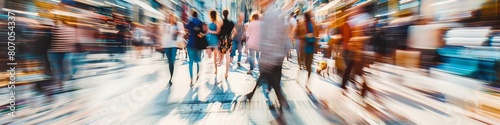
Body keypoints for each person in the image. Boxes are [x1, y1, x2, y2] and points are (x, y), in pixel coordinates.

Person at [245, 0, 295, 123]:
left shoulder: (271, 14)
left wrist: (266, 57)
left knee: (275, 83)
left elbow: (271, 37)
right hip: (277, 55)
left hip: (271, 56)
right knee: (275, 84)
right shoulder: (274, 12)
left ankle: (282, 111)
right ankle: (281, 108)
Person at [340, 3, 374, 98]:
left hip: (354, 50)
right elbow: (348, 39)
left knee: (355, 70)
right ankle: (361, 87)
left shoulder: (353, 24)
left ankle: (360, 87)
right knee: (352, 69)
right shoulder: (349, 25)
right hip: (351, 50)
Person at [48, 18, 77, 91]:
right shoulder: (71, 29)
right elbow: (73, 41)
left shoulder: (55, 28)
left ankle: (61, 83)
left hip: (55, 50)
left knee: (58, 67)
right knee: (65, 66)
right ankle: (64, 82)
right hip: (66, 50)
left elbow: (51, 38)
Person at [296, 11, 319, 92]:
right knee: (303, 64)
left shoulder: (313, 23)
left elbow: (317, 34)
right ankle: (298, 77)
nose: (310, 17)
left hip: (311, 47)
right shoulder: (301, 24)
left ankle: (307, 83)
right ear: (306, 17)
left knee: (309, 66)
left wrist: (316, 40)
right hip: (304, 47)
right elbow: (296, 35)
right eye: (309, 16)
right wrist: (305, 36)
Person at [160, 13, 185, 86]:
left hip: (174, 45)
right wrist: (162, 44)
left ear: (174, 18)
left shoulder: (178, 25)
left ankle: (171, 78)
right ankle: (170, 75)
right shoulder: (166, 26)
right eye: (170, 17)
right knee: (169, 62)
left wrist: (178, 32)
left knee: (172, 61)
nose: (171, 18)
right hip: (167, 46)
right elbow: (163, 35)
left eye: (173, 17)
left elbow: (183, 32)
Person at [185, 11, 204, 86]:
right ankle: (198, 74)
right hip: (198, 45)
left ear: (192, 15)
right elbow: (202, 34)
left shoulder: (190, 22)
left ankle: (191, 79)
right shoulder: (200, 22)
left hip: (190, 44)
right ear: (197, 15)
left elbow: (186, 29)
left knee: (191, 62)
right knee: (198, 60)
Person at [218, 10, 235, 79]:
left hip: (222, 39)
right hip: (228, 39)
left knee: (221, 54)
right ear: (228, 14)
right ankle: (226, 73)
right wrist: (231, 37)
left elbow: (219, 31)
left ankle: (220, 62)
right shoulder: (231, 23)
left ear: (223, 14)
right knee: (227, 56)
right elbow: (235, 31)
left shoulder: (221, 22)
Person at [206, 10, 222, 75]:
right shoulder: (211, 22)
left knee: (215, 56)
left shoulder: (217, 22)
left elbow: (218, 32)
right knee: (211, 55)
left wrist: (210, 31)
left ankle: (216, 69)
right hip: (211, 39)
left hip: (214, 40)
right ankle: (215, 68)